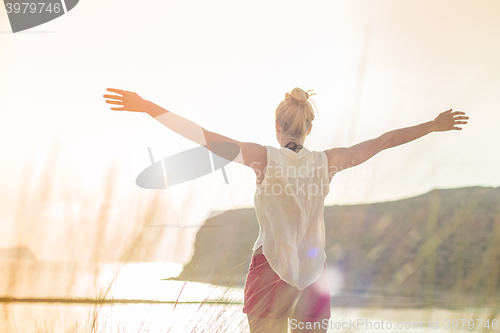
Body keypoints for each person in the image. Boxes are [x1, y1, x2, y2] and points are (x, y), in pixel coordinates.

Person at [103, 87, 469, 333]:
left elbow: (203, 136)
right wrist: (433, 126)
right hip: (314, 276)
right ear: (309, 128)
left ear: (278, 127)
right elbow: (385, 141)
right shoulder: (328, 162)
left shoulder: (262, 157)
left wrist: (149, 107)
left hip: (269, 272)